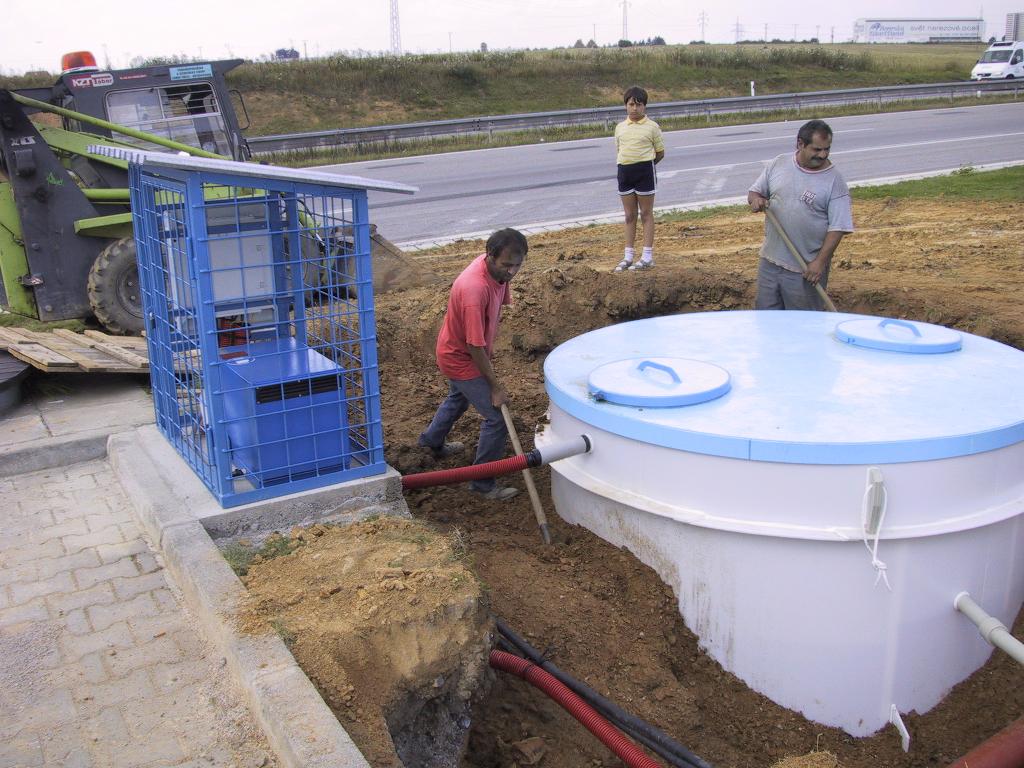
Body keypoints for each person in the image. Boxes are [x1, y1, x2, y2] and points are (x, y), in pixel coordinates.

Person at [417, 228, 528, 502]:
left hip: (463, 351)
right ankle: (482, 483)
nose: (512, 272)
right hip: (460, 357)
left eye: (517, 265)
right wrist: (495, 386)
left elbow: (495, 310)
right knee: (497, 417)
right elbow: (473, 345)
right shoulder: (473, 289)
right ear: (490, 256)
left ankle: (431, 441)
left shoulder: (498, 272)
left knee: (458, 398)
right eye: (507, 265)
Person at [747, 119, 854, 310]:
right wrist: (756, 200)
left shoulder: (834, 181)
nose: (822, 155)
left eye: (827, 149)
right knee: (766, 320)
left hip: (804, 269)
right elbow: (755, 192)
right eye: (816, 149)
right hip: (770, 263)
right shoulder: (779, 164)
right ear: (800, 144)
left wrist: (820, 263)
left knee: (802, 326)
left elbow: (838, 227)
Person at [613, 86, 665, 273]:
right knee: (629, 215)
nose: (635, 108)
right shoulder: (620, 127)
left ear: (645, 106)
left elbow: (660, 153)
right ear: (626, 106)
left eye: (639, 104)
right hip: (625, 172)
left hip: (645, 172)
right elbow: (620, 150)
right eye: (631, 104)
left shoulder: (652, 127)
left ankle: (647, 256)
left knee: (646, 214)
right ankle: (628, 256)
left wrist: (646, 165)